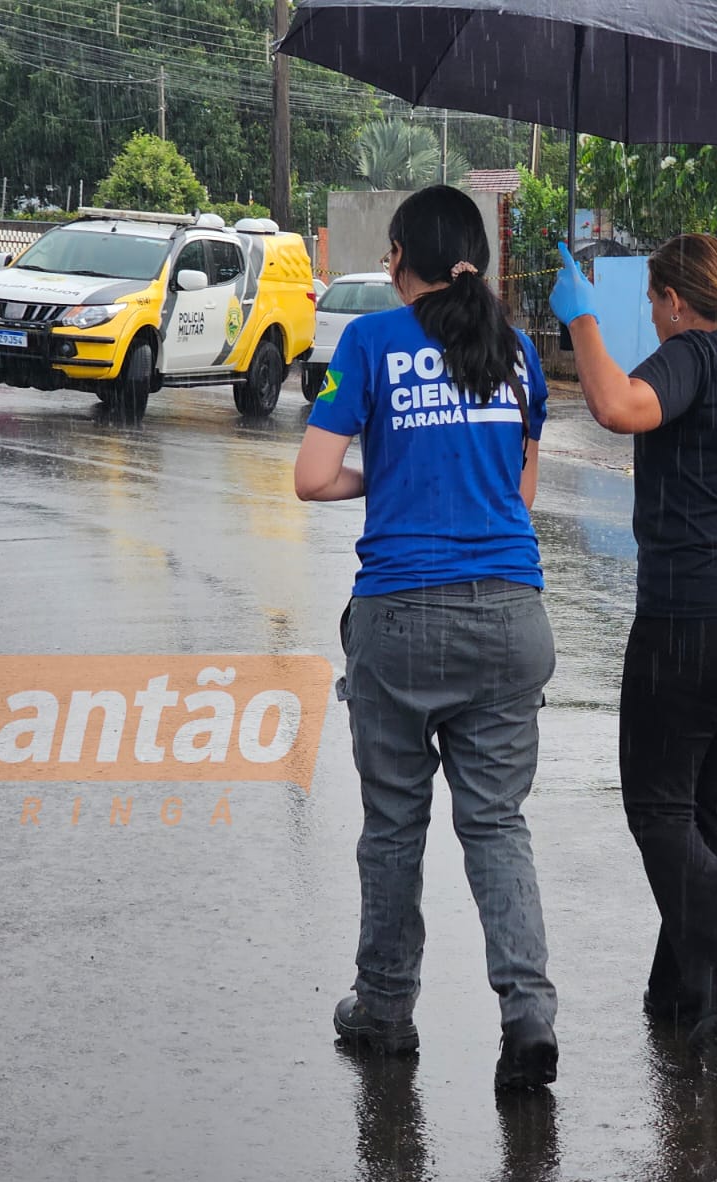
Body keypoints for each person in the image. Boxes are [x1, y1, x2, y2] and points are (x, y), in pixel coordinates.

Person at [293, 184, 560, 1090]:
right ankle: (528, 1017)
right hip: (514, 616)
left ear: (400, 256)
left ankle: (385, 1011)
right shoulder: (518, 351)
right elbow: (519, 499)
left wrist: (391, 475)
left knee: (395, 825)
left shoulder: (368, 343)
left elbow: (312, 477)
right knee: (495, 825)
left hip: (403, 618)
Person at [549, 233, 717, 1055]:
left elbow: (617, 408)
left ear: (672, 300)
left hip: (696, 620)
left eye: (650, 303)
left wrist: (582, 323)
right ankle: (685, 989)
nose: (651, 316)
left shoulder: (691, 355)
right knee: (714, 803)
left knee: (658, 807)